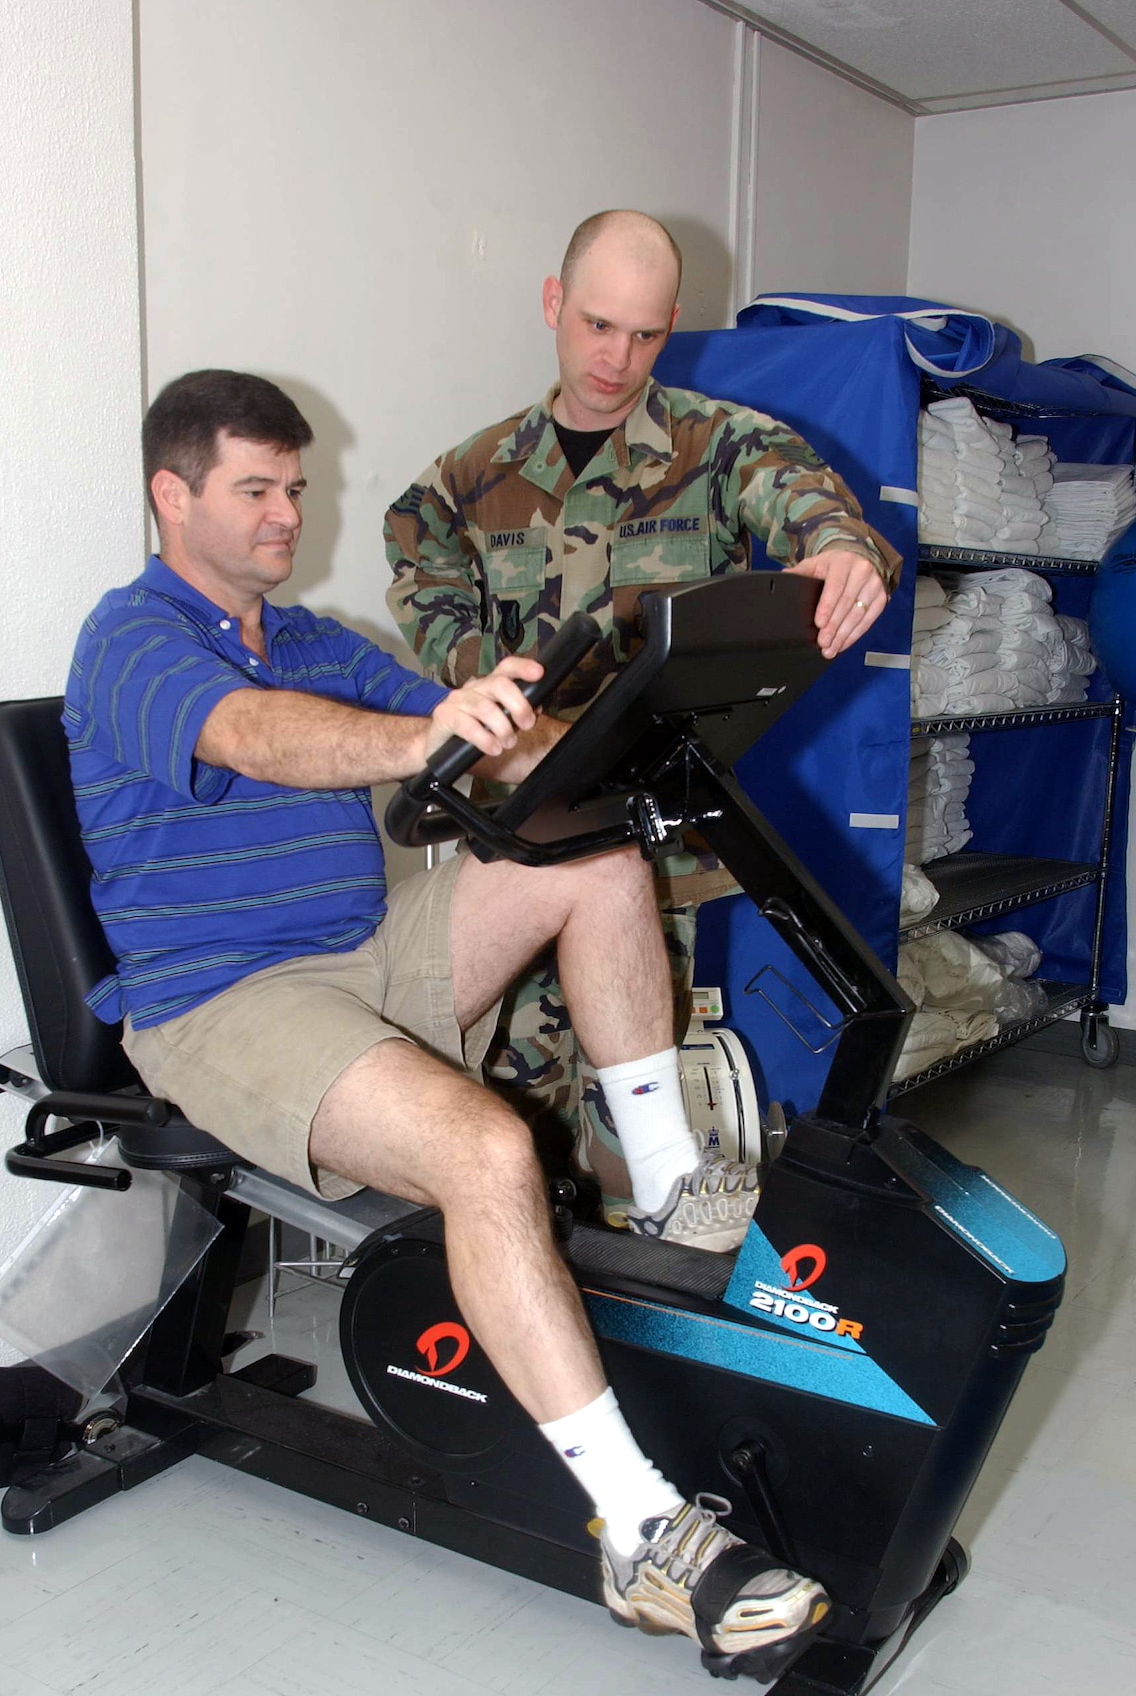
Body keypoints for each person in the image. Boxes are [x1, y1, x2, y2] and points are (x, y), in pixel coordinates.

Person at [64, 367, 831, 1673]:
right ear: (169, 493)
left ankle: (666, 1190)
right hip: (224, 1006)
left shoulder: (313, 635)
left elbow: (475, 741)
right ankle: (638, 1535)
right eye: (254, 489)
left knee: (590, 861)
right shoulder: (132, 639)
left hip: (366, 950)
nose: (282, 515)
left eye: (293, 489)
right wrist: (415, 736)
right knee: (486, 1154)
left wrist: (612, 739)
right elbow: (264, 738)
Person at [385, 209, 900, 1206]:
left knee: (642, 1089)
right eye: (594, 325)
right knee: (509, 1103)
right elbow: (424, 580)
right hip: (521, 825)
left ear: (671, 326)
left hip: (651, 835)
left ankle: (647, 1259)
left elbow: (817, 508)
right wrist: (502, 700)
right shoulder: (465, 480)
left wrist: (842, 552)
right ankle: (526, 1282)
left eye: (644, 332)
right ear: (552, 304)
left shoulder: (716, 447)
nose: (616, 359)